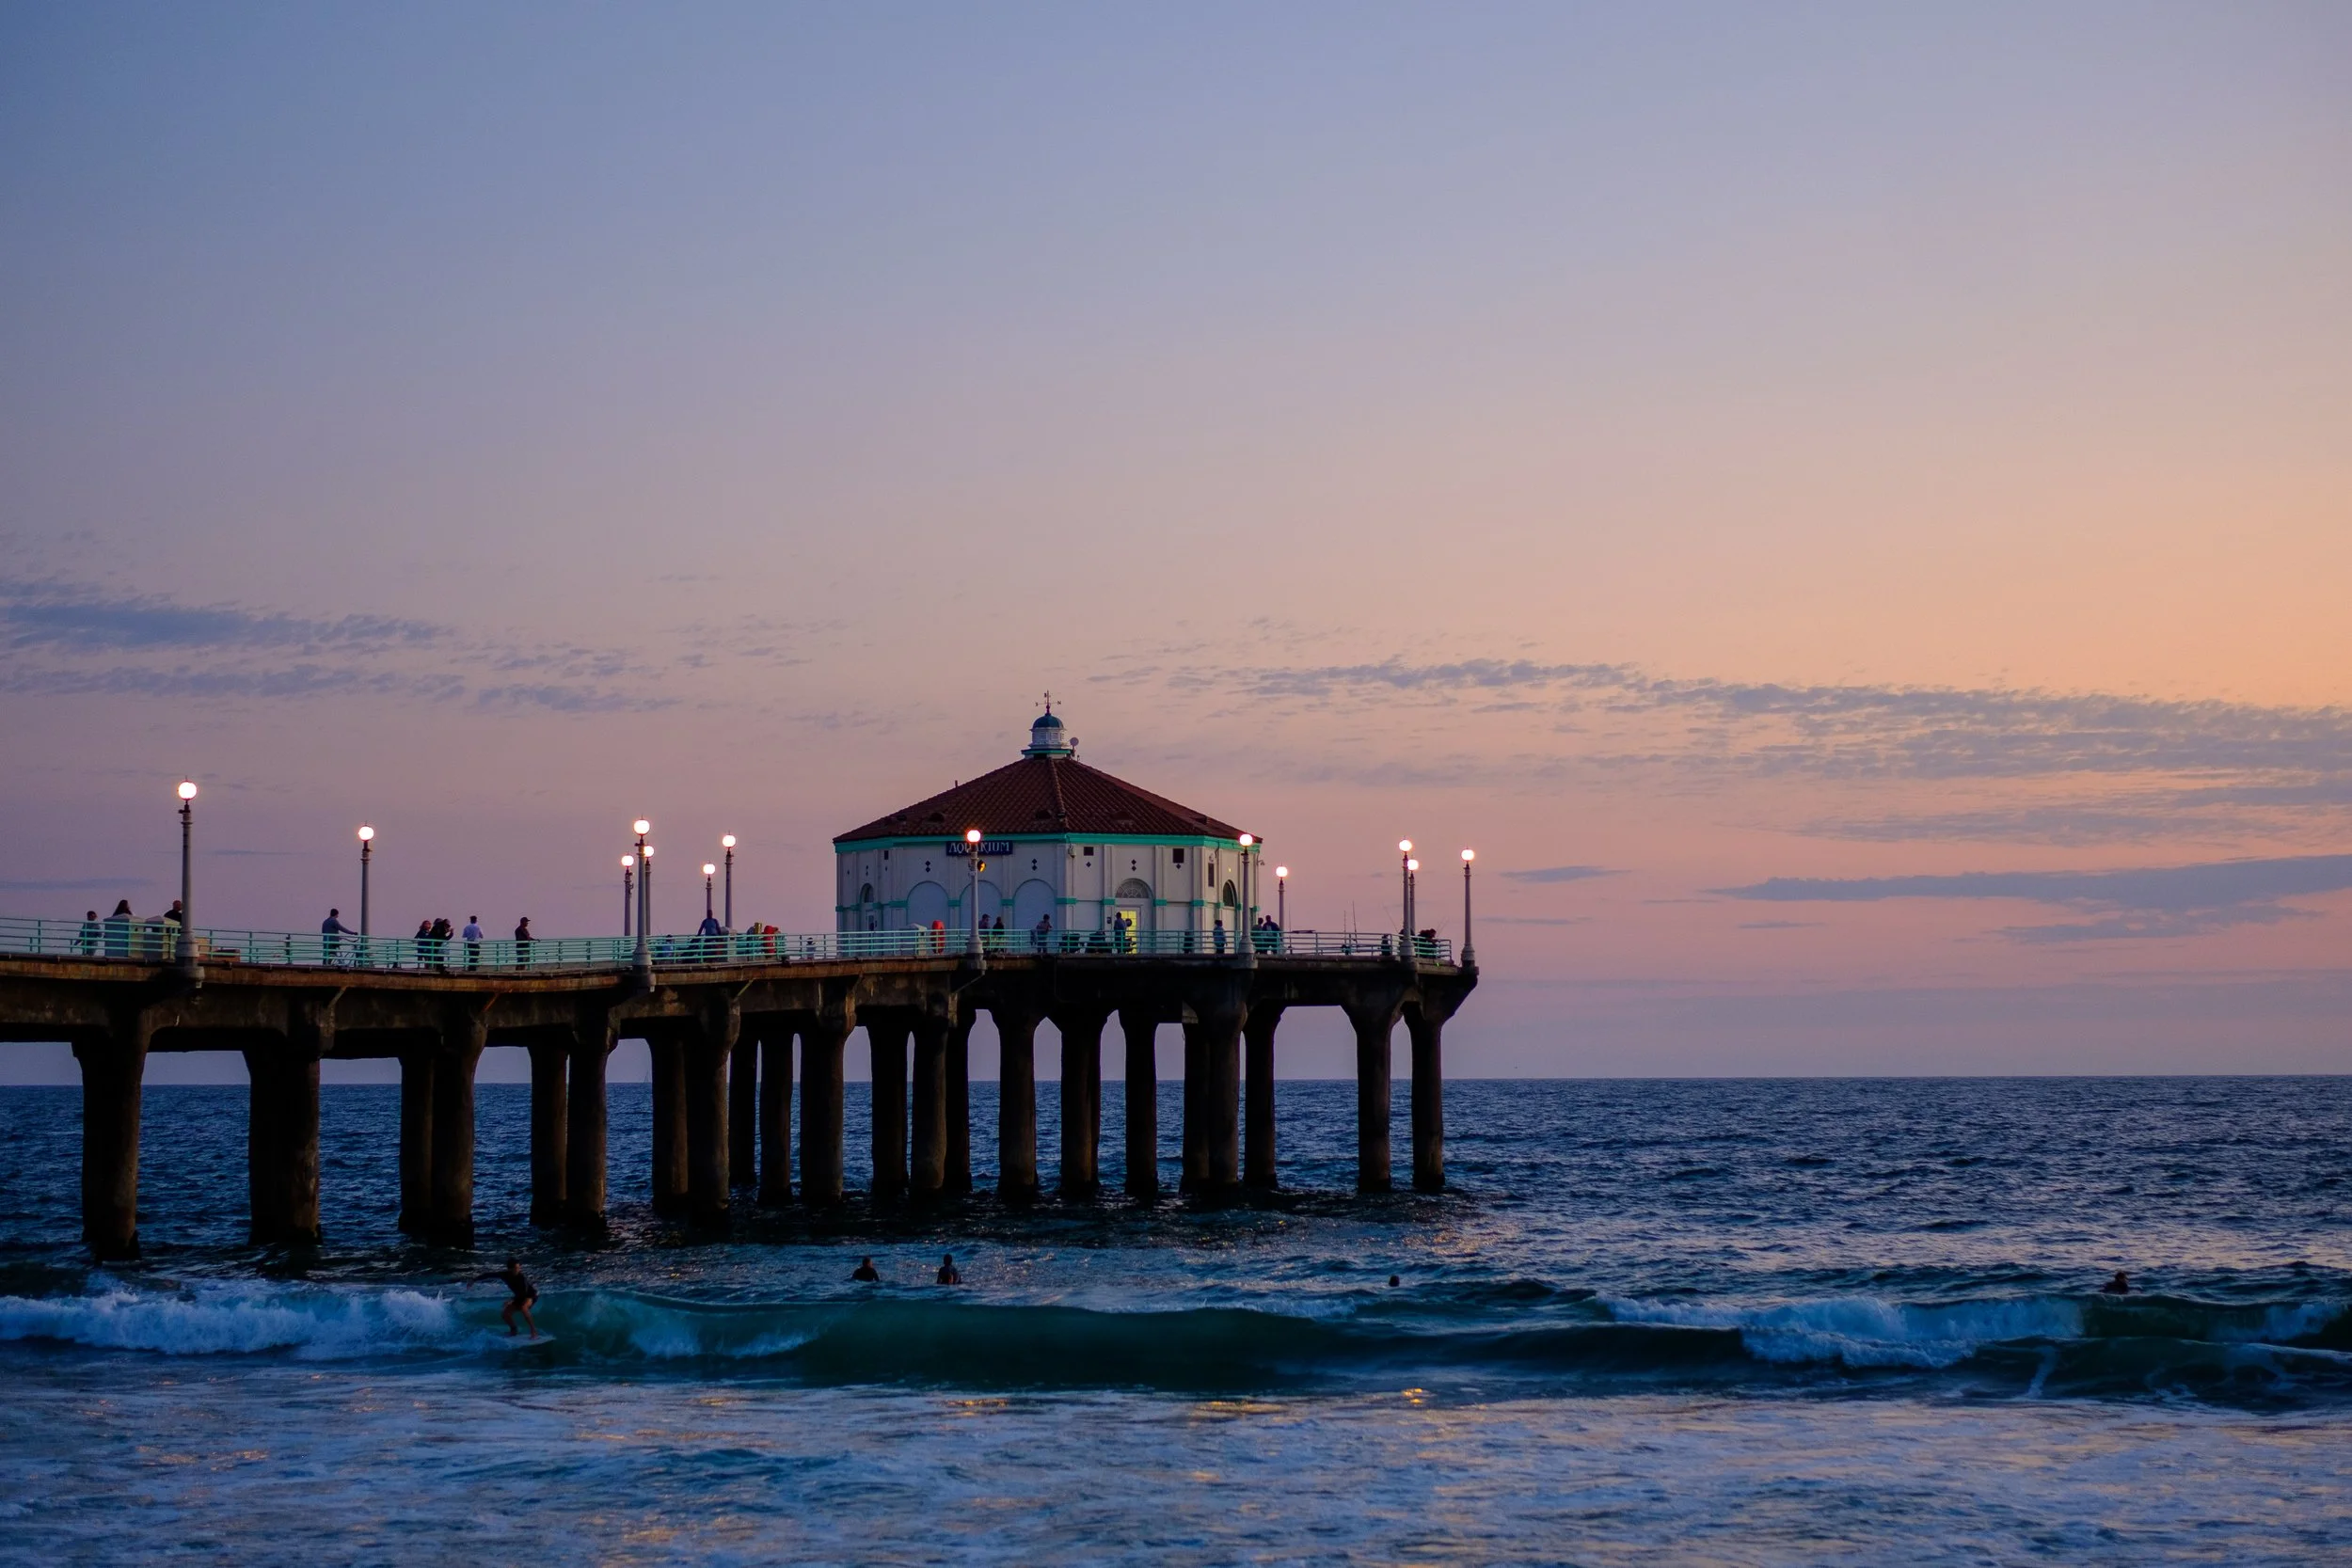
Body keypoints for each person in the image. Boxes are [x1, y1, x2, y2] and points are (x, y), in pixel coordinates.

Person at [473, 1258, 540, 1338]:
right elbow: (488, 1275)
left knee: (523, 1307)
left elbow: (524, 1293)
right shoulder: (504, 1275)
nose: (518, 1270)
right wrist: (474, 1280)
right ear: (510, 1269)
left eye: (519, 1267)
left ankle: (533, 1331)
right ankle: (514, 1330)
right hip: (519, 1297)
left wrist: (511, 1300)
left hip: (530, 1295)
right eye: (516, 1268)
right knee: (505, 1314)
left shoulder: (521, 1278)